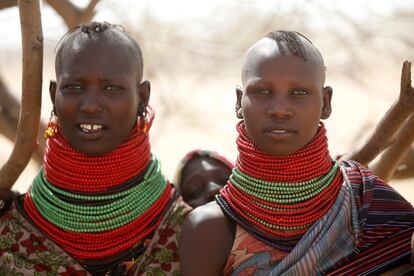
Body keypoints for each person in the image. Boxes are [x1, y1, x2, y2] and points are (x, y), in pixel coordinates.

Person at [179, 30, 414, 275]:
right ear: (239, 101)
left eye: (299, 92)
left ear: (326, 102)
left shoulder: (369, 201)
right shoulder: (209, 230)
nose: (280, 110)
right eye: (262, 91)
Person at [0, 22, 191, 275]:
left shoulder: (189, 234)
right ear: (54, 95)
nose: (90, 105)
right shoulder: (9, 234)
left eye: (111, 88)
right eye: (74, 87)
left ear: (142, 98)